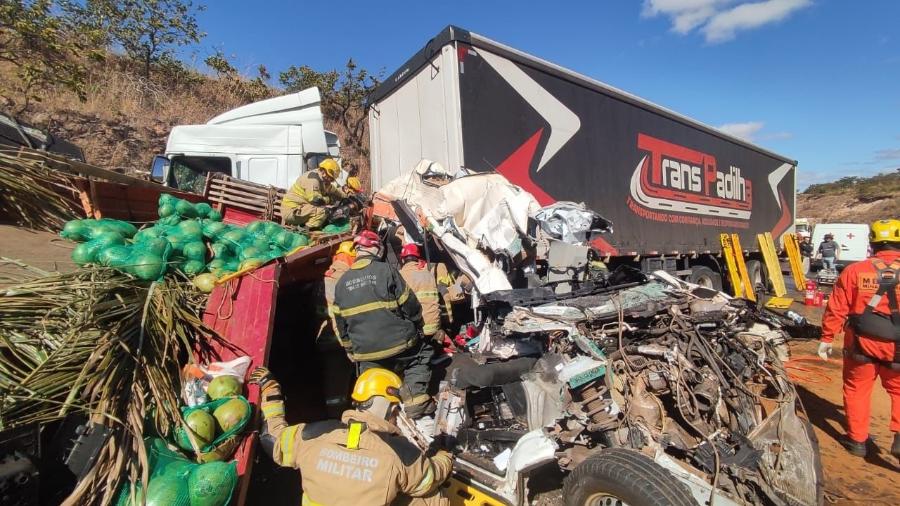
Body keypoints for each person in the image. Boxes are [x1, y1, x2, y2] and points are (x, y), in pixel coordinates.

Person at [250, 366, 453, 505]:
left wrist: (271, 389)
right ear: (389, 408)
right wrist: (444, 455)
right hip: (420, 468)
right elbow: (429, 479)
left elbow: (272, 438)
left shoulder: (313, 434)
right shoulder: (400, 454)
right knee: (432, 498)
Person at [818, 219, 900, 461]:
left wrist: (827, 337)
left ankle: (857, 440)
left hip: (861, 344)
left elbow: (836, 308)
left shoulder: (854, 271)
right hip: (897, 348)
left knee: (857, 390)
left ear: (872, 243)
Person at [333, 230, 435, 418]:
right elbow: (410, 305)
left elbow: (342, 327)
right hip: (400, 345)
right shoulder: (386, 271)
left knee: (372, 383)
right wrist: (418, 326)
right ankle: (415, 401)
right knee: (422, 354)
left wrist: (350, 351)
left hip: (366, 353)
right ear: (376, 249)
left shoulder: (340, 284)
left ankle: (374, 417)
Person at [315, 240, 357, 416]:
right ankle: (338, 417)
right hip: (341, 341)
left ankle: (333, 412)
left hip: (325, 338)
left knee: (332, 379)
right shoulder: (348, 280)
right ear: (350, 259)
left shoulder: (324, 278)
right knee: (340, 381)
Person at [281, 158, 345, 230]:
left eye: (332, 179)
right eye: (330, 178)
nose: (331, 181)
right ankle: (304, 231)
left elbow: (335, 191)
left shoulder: (323, 180)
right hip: (291, 210)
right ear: (324, 172)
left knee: (324, 211)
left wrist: (345, 197)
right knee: (322, 211)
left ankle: (307, 227)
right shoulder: (313, 180)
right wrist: (330, 200)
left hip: (301, 208)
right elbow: (316, 201)